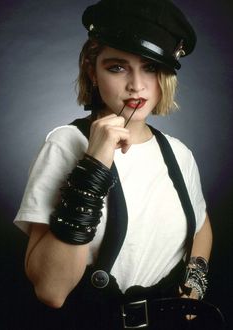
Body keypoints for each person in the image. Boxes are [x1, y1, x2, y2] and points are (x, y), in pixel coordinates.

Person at [14, 0, 213, 329]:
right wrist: (95, 163)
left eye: (149, 67)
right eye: (117, 67)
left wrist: (194, 287)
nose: (136, 84)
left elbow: (201, 227)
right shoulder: (65, 144)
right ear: (92, 71)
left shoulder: (179, 154)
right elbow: (52, 290)